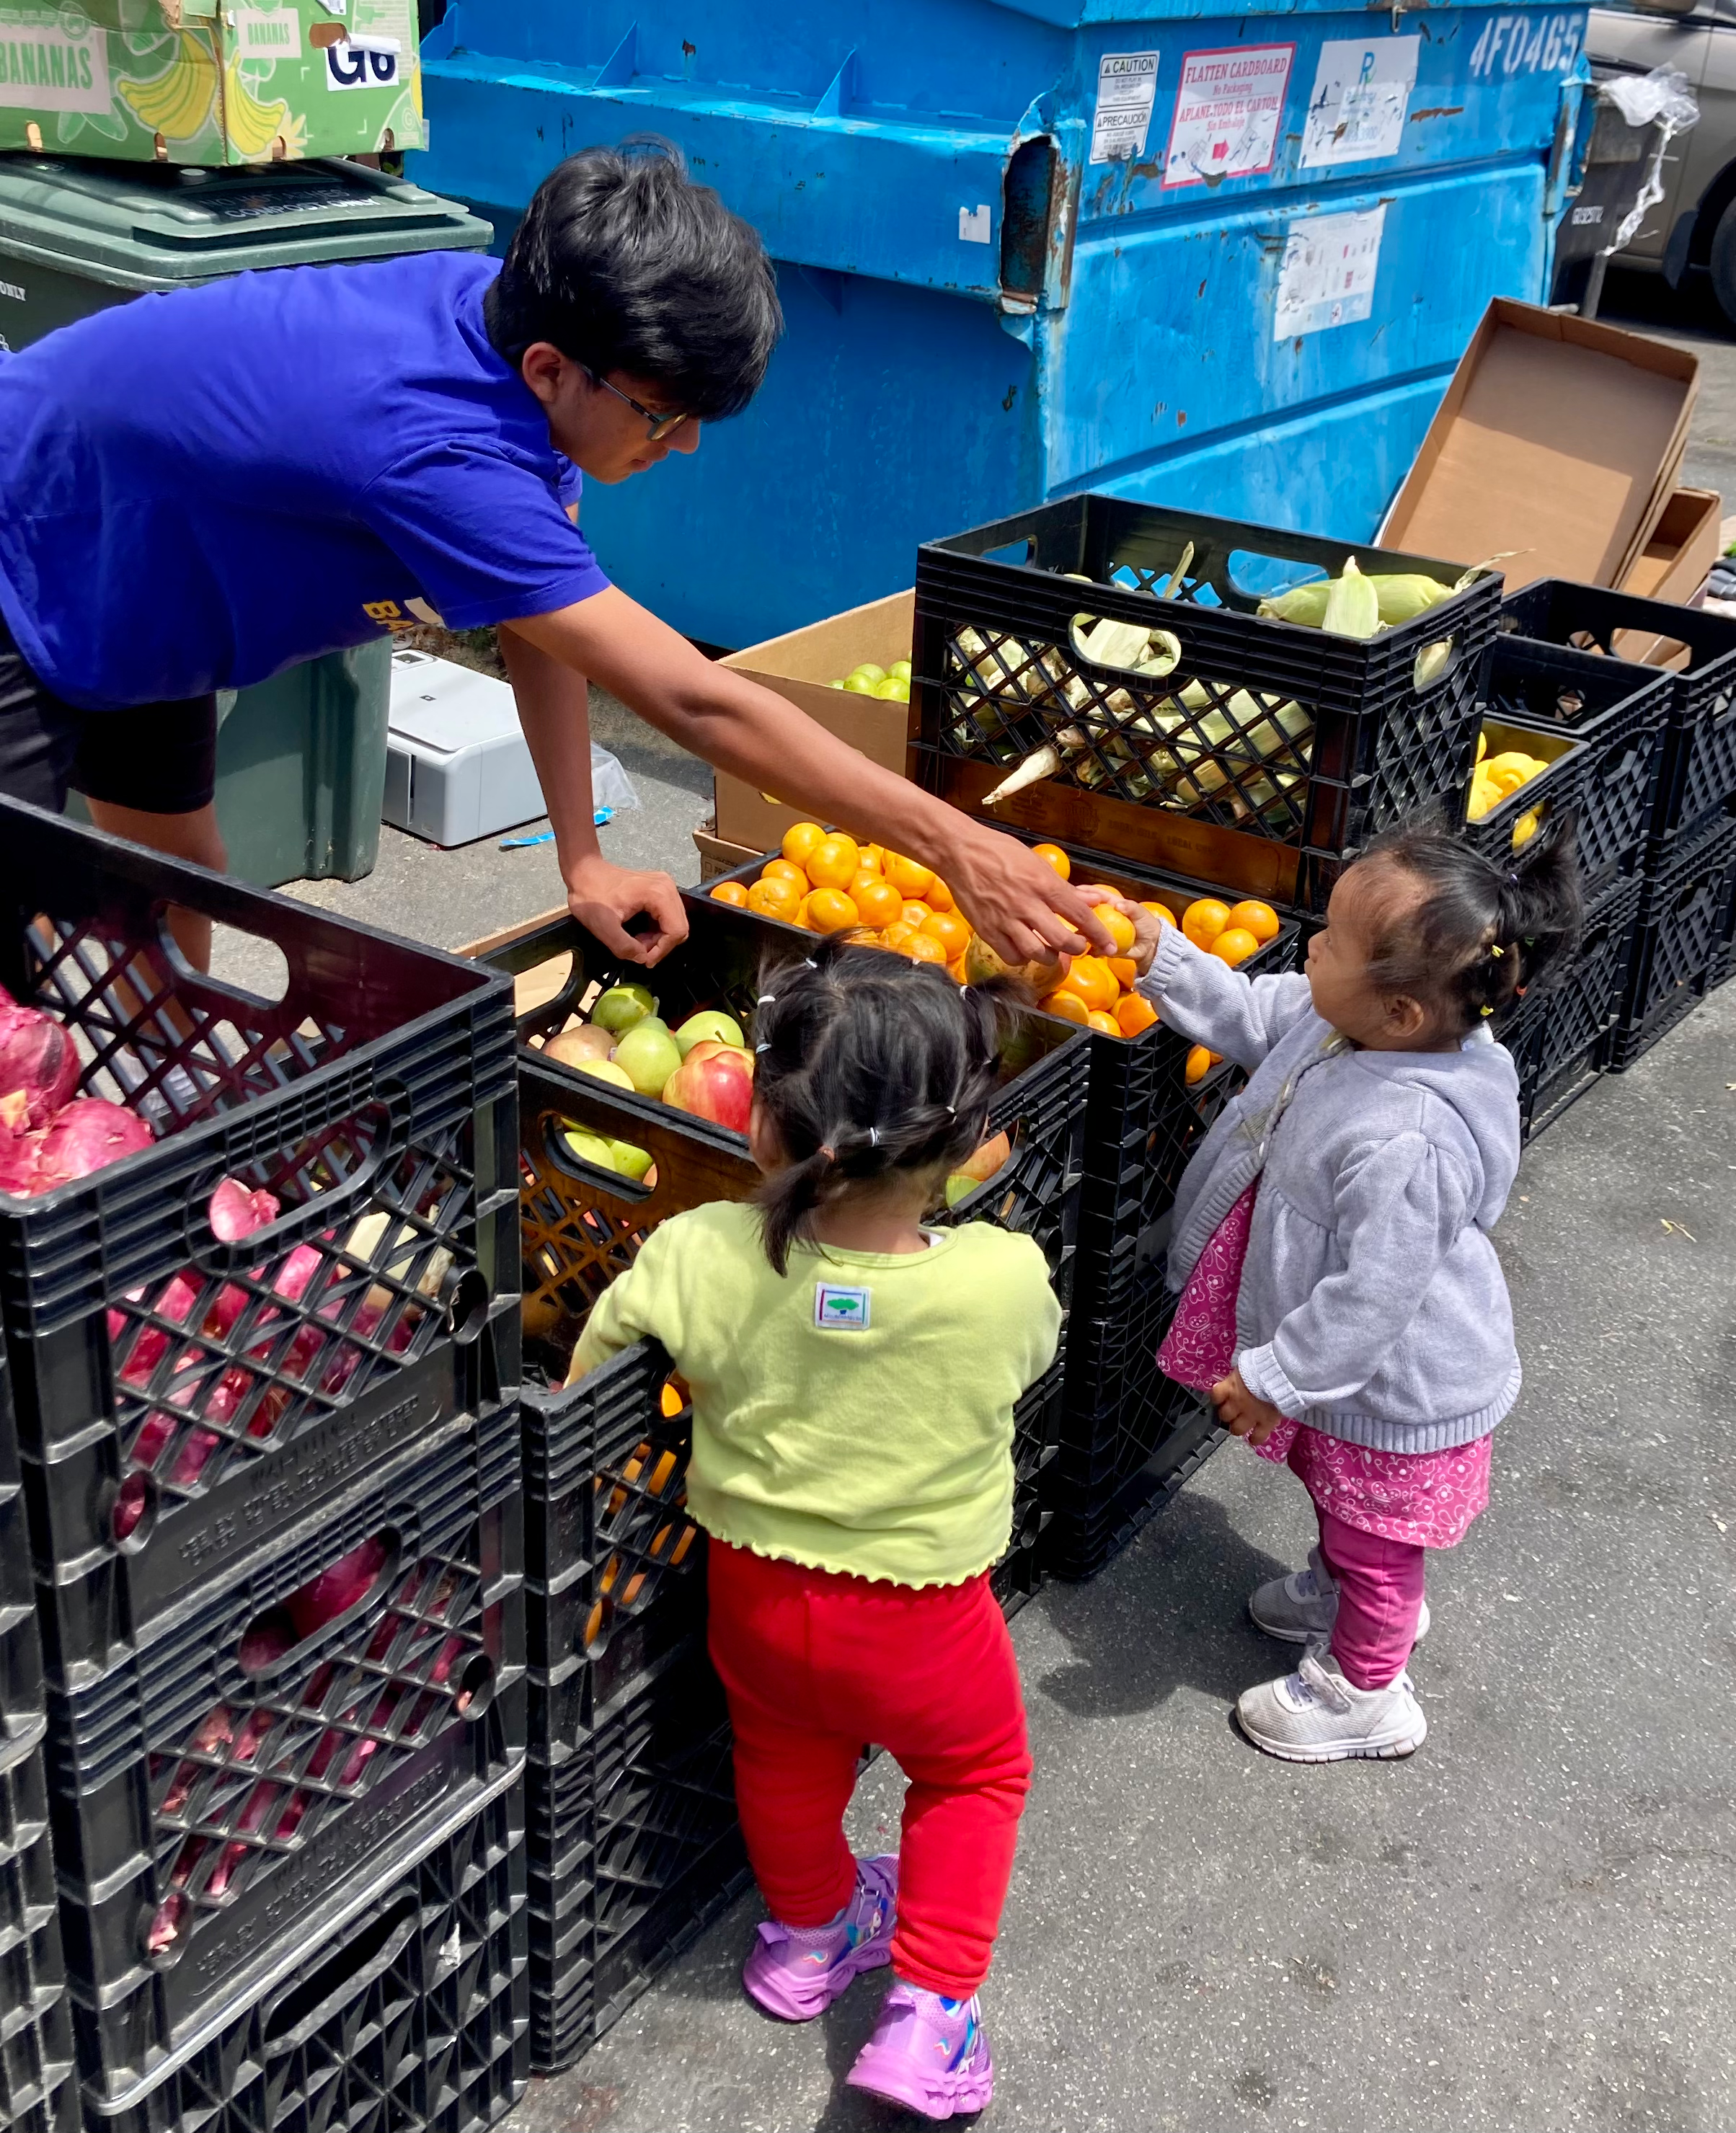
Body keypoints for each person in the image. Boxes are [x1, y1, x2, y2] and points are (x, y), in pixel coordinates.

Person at [0, 141, 1107, 975]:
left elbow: (544, 610)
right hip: (23, 557)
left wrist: (580, 856)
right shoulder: (436, 449)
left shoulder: (512, 340)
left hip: (130, 580)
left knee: (176, 881)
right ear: (549, 369)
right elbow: (697, 703)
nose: (681, 447)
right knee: (23, 984)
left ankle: (155, 1126)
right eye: (665, 415)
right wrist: (957, 845)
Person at [566, 939, 1060, 2119]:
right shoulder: (998, 1277)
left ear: (763, 1128)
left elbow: (597, 1358)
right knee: (975, 1773)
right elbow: (1031, 1354)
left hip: (754, 1598)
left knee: (780, 1761)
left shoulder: (700, 1255)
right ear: (954, 1144)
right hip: (926, 1618)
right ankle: (931, 2009)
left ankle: (805, 1938)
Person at [1101, 820, 1581, 1763]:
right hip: (1353, 1374)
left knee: (1378, 1538)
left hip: (1397, 1382)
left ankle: (1365, 1688)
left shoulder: (1408, 1137)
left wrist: (1277, 1375)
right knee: (1347, 1507)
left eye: (1328, 942)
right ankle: (1345, 1590)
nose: (1309, 947)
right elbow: (1246, 1009)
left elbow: (1372, 1299)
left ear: (1402, 1013)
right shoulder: (1344, 1020)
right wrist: (1165, 956)